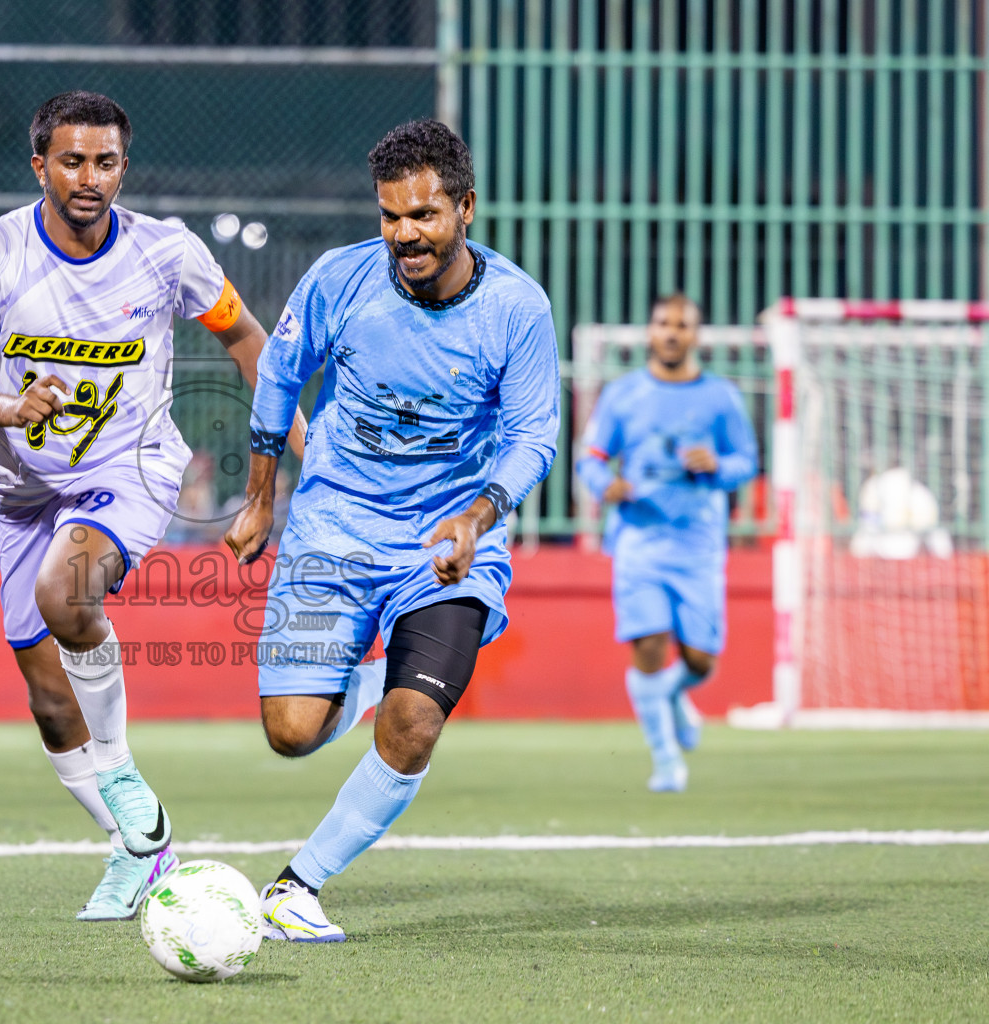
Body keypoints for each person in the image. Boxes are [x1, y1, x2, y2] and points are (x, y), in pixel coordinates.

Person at [0, 90, 306, 920]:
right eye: (71, 160)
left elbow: (246, 337)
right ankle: (141, 845)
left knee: (66, 596)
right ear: (40, 165)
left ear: (123, 167)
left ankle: (124, 769)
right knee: (46, 694)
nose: (89, 177)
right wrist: (10, 407)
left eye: (105, 161)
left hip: (129, 473)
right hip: (26, 493)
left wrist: (290, 452)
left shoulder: (165, 252)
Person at [224, 119, 559, 942]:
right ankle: (366, 684)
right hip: (334, 526)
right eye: (390, 216)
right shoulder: (342, 280)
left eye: (423, 215)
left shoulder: (516, 309)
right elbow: (279, 375)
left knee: (415, 724)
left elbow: (533, 437)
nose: (404, 234)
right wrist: (261, 497)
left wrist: (476, 518)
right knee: (291, 733)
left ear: (465, 208)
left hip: (446, 548)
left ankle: (298, 885)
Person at [574, 294, 758, 792]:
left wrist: (719, 465)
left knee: (700, 661)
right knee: (649, 646)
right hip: (639, 541)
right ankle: (666, 760)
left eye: (683, 325)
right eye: (663, 323)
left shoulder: (720, 397)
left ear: (696, 335)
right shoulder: (623, 394)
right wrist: (602, 484)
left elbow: (747, 460)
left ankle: (677, 695)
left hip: (698, 545)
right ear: (650, 332)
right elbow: (589, 457)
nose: (672, 332)